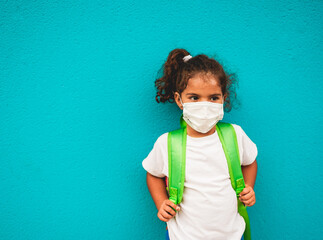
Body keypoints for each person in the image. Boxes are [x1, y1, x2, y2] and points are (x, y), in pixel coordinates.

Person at [142, 48, 258, 240]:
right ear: (179, 100)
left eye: (213, 98)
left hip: (231, 234)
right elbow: (153, 174)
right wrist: (161, 203)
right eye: (194, 98)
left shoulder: (235, 135)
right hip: (183, 235)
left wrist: (248, 187)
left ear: (223, 98)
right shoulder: (167, 143)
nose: (205, 105)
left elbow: (250, 161)